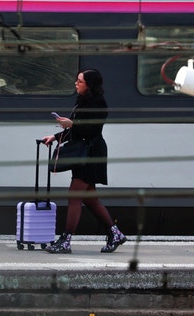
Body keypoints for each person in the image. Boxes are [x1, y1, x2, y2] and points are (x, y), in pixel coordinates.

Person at [42, 69, 126, 254]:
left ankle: (65, 241)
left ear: (89, 84)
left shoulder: (98, 103)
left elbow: (91, 130)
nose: (76, 83)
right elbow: (76, 130)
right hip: (85, 153)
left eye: (80, 81)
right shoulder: (83, 102)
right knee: (90, 199)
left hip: (91, 154)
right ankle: (115, 233)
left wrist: (71, 124)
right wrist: (56, 137)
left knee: (75, 196)